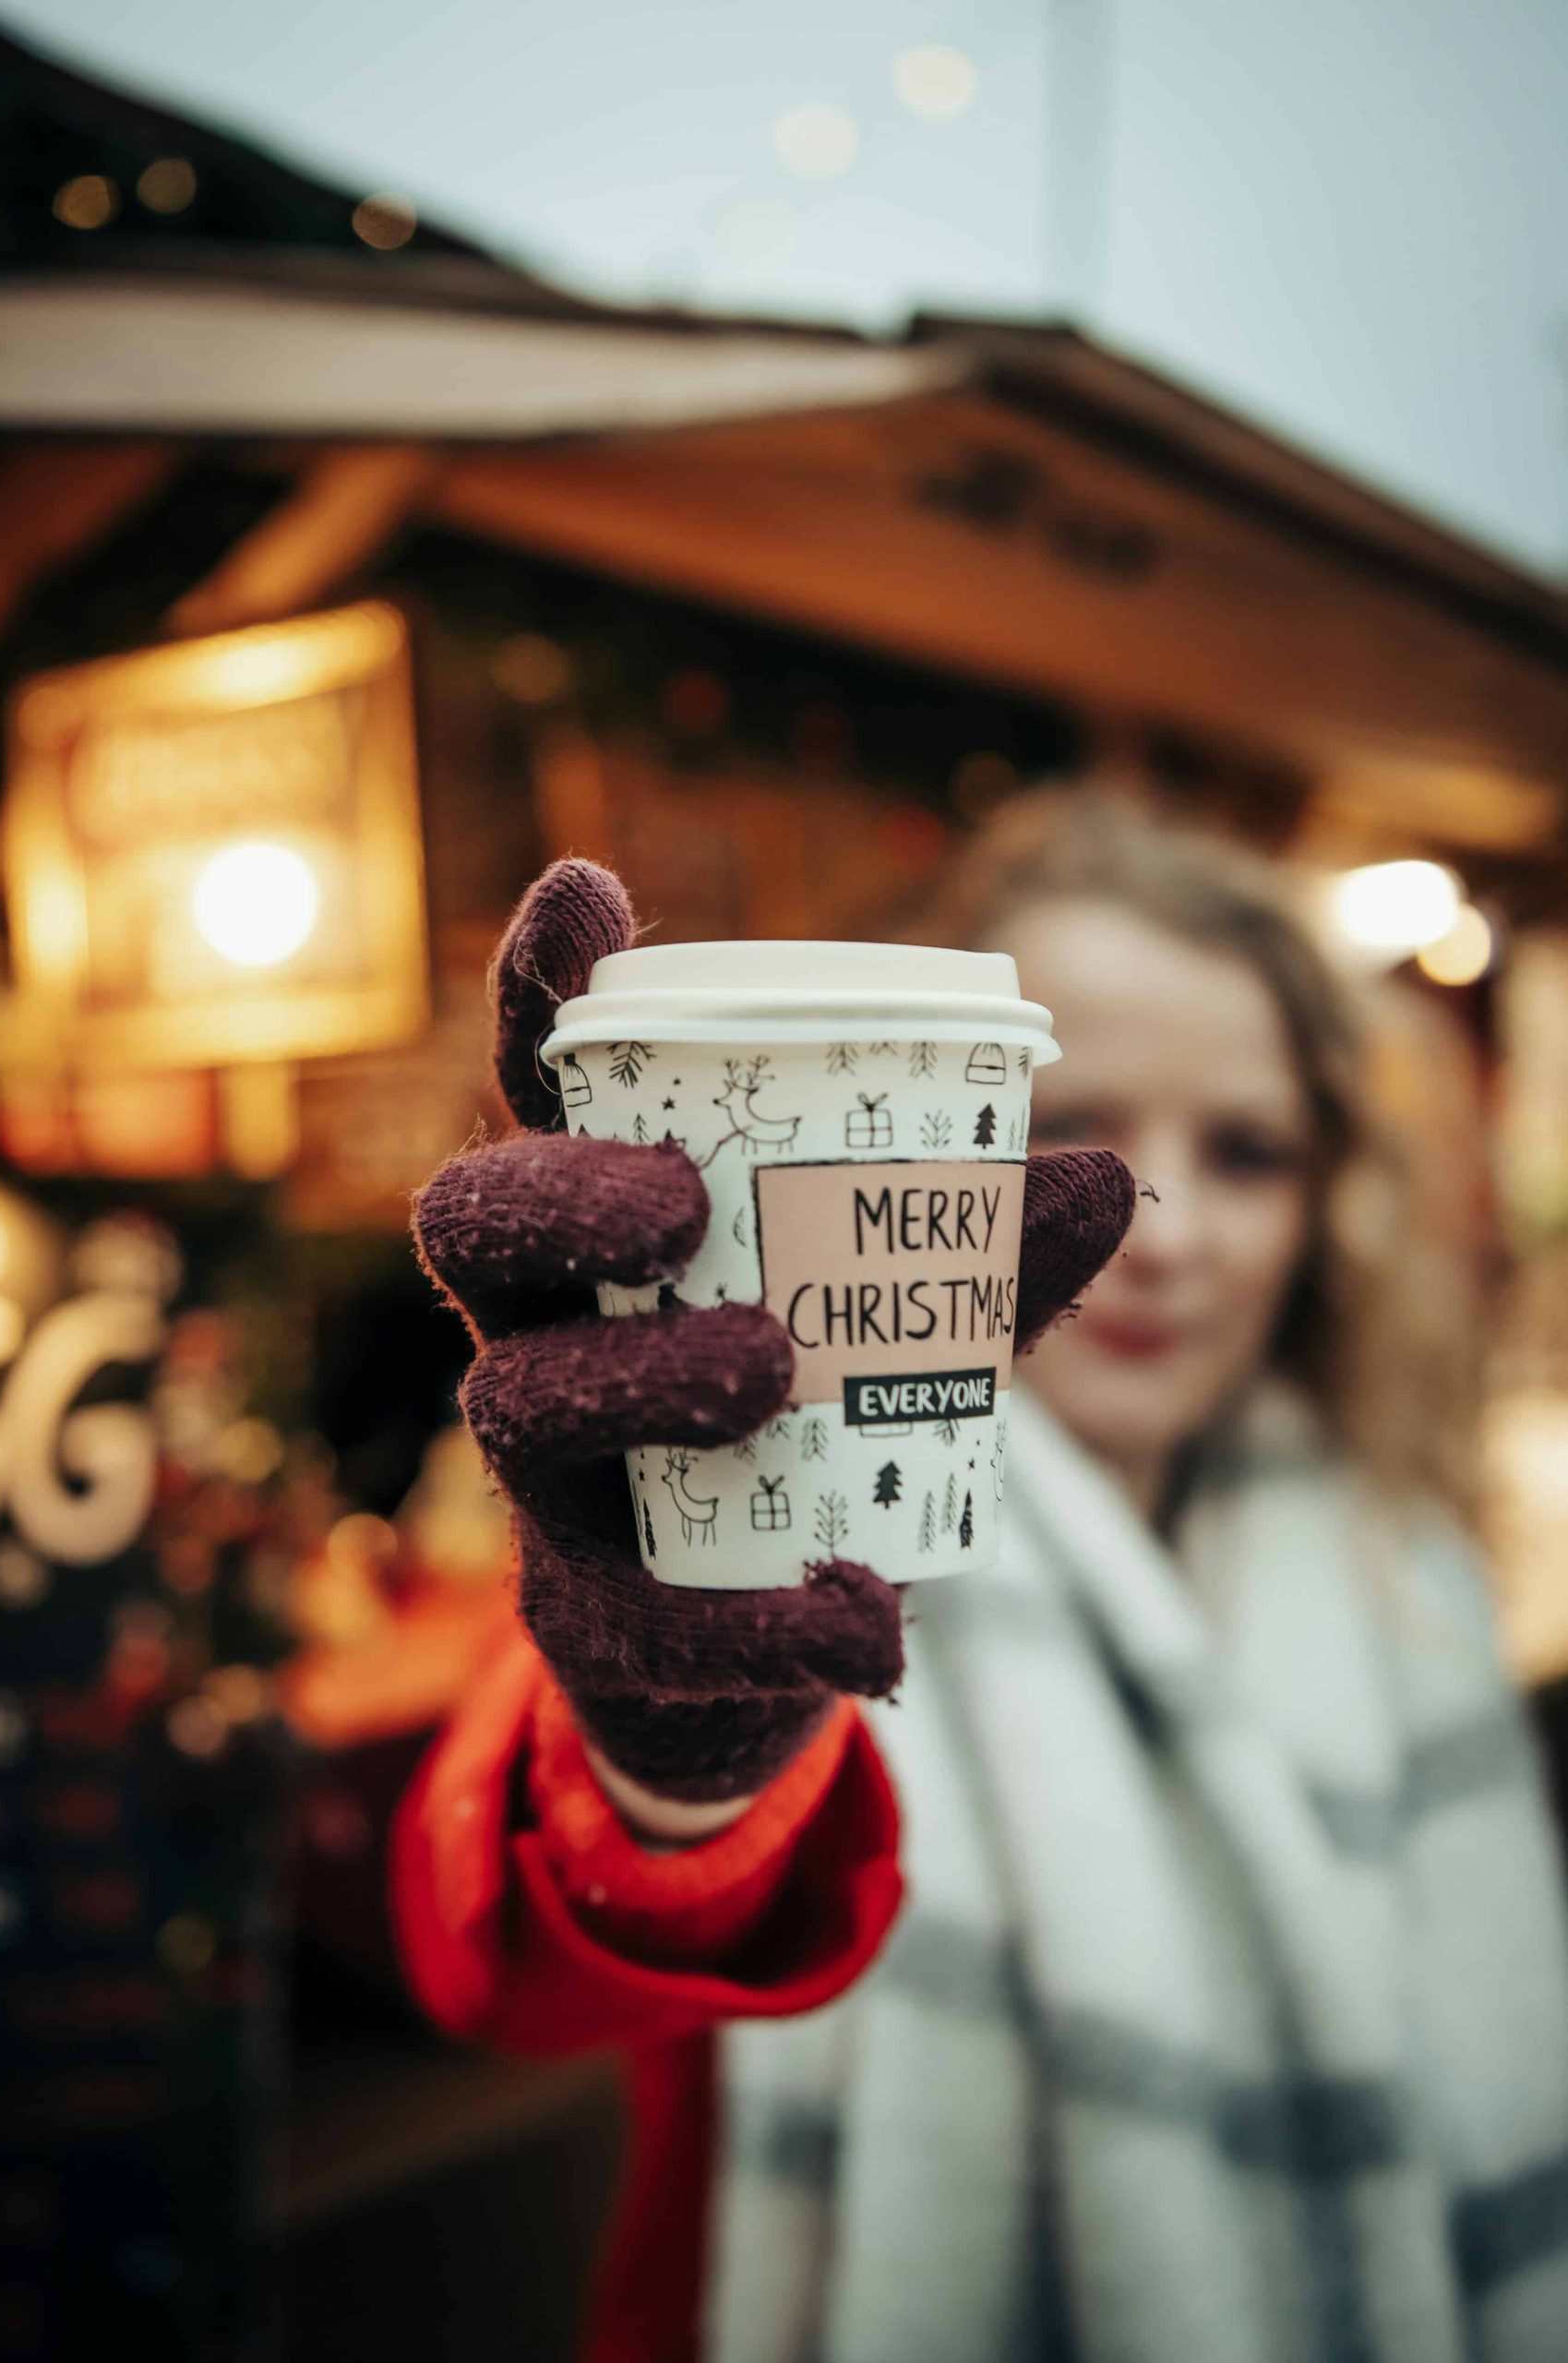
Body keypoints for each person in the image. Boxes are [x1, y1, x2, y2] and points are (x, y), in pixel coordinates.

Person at [394, 798, 1568, 2363]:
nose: (1167, 1227)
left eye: (1249, 1151)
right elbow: (500, 1970)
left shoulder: (1403, 1560)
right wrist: (675, 1761)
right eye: (1073, 1126)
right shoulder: (718, 1519)